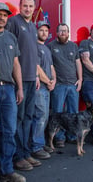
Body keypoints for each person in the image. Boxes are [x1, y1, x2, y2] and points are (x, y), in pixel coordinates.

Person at [0, 2, 25, 182]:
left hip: (9, 89)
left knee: (9, 131)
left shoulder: (11, 37)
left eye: (5, 15)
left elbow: (16, 64)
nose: (2, 18)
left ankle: (7, 170)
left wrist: (20, 87)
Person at [6, 0, 41, 171]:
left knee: (28, 117)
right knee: (18, 119)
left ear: (34, 8)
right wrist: (17, 82)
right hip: (17, 80)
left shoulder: (33, 27)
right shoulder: (13, 22)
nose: (27, 9)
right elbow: (9, 53)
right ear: (19, 6)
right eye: (24, 6)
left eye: (30, 6)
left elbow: (32, 54)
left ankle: (26, 152)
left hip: (30, 79)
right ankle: (17, 156)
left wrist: (35, 75)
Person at [48, 23, 82, 148]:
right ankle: (59, 138)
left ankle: (72, 136)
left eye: (65, 31)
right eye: (61, 31)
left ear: (68, 33)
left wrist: (81, 79)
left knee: (73, 112)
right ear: (56, 33)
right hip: (59, 85)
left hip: (73, 85)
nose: (63, 33)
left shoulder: (73, 46)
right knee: (58, 113)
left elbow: (78, 63)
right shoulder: (51, 46)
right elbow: (49, 65)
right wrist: (52, 80)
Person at [31, 21, 56, 160]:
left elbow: (51, 67)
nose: (44, 33)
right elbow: (36, 67)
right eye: (41, 30)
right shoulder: (33, 46)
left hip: (47, 87)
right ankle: (36, 147)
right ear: (36, 32)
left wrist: (54, 81)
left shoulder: (46, 49)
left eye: (46, 31)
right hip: (39, 88)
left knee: (44, 116)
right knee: (39, 117)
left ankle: (40, 143)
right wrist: (48, 81)